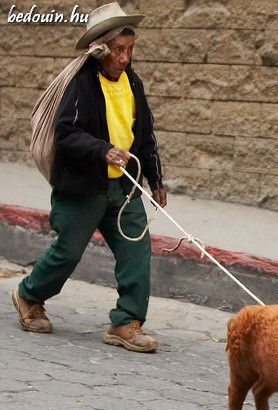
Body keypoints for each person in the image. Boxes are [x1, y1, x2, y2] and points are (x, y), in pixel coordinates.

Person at [11, 3, 167, 353]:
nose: (126, 58)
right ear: (100, 50)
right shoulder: (80, 84)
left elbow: (144, 137)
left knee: (137, 252)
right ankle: (28, 295)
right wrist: (102, 150)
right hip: (82, 188)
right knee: (67, 253)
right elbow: (65, 133)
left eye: (130, 49)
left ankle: (125, 322)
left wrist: (155, 180)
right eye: (118, 50)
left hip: (123, 188)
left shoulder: (132, 83)